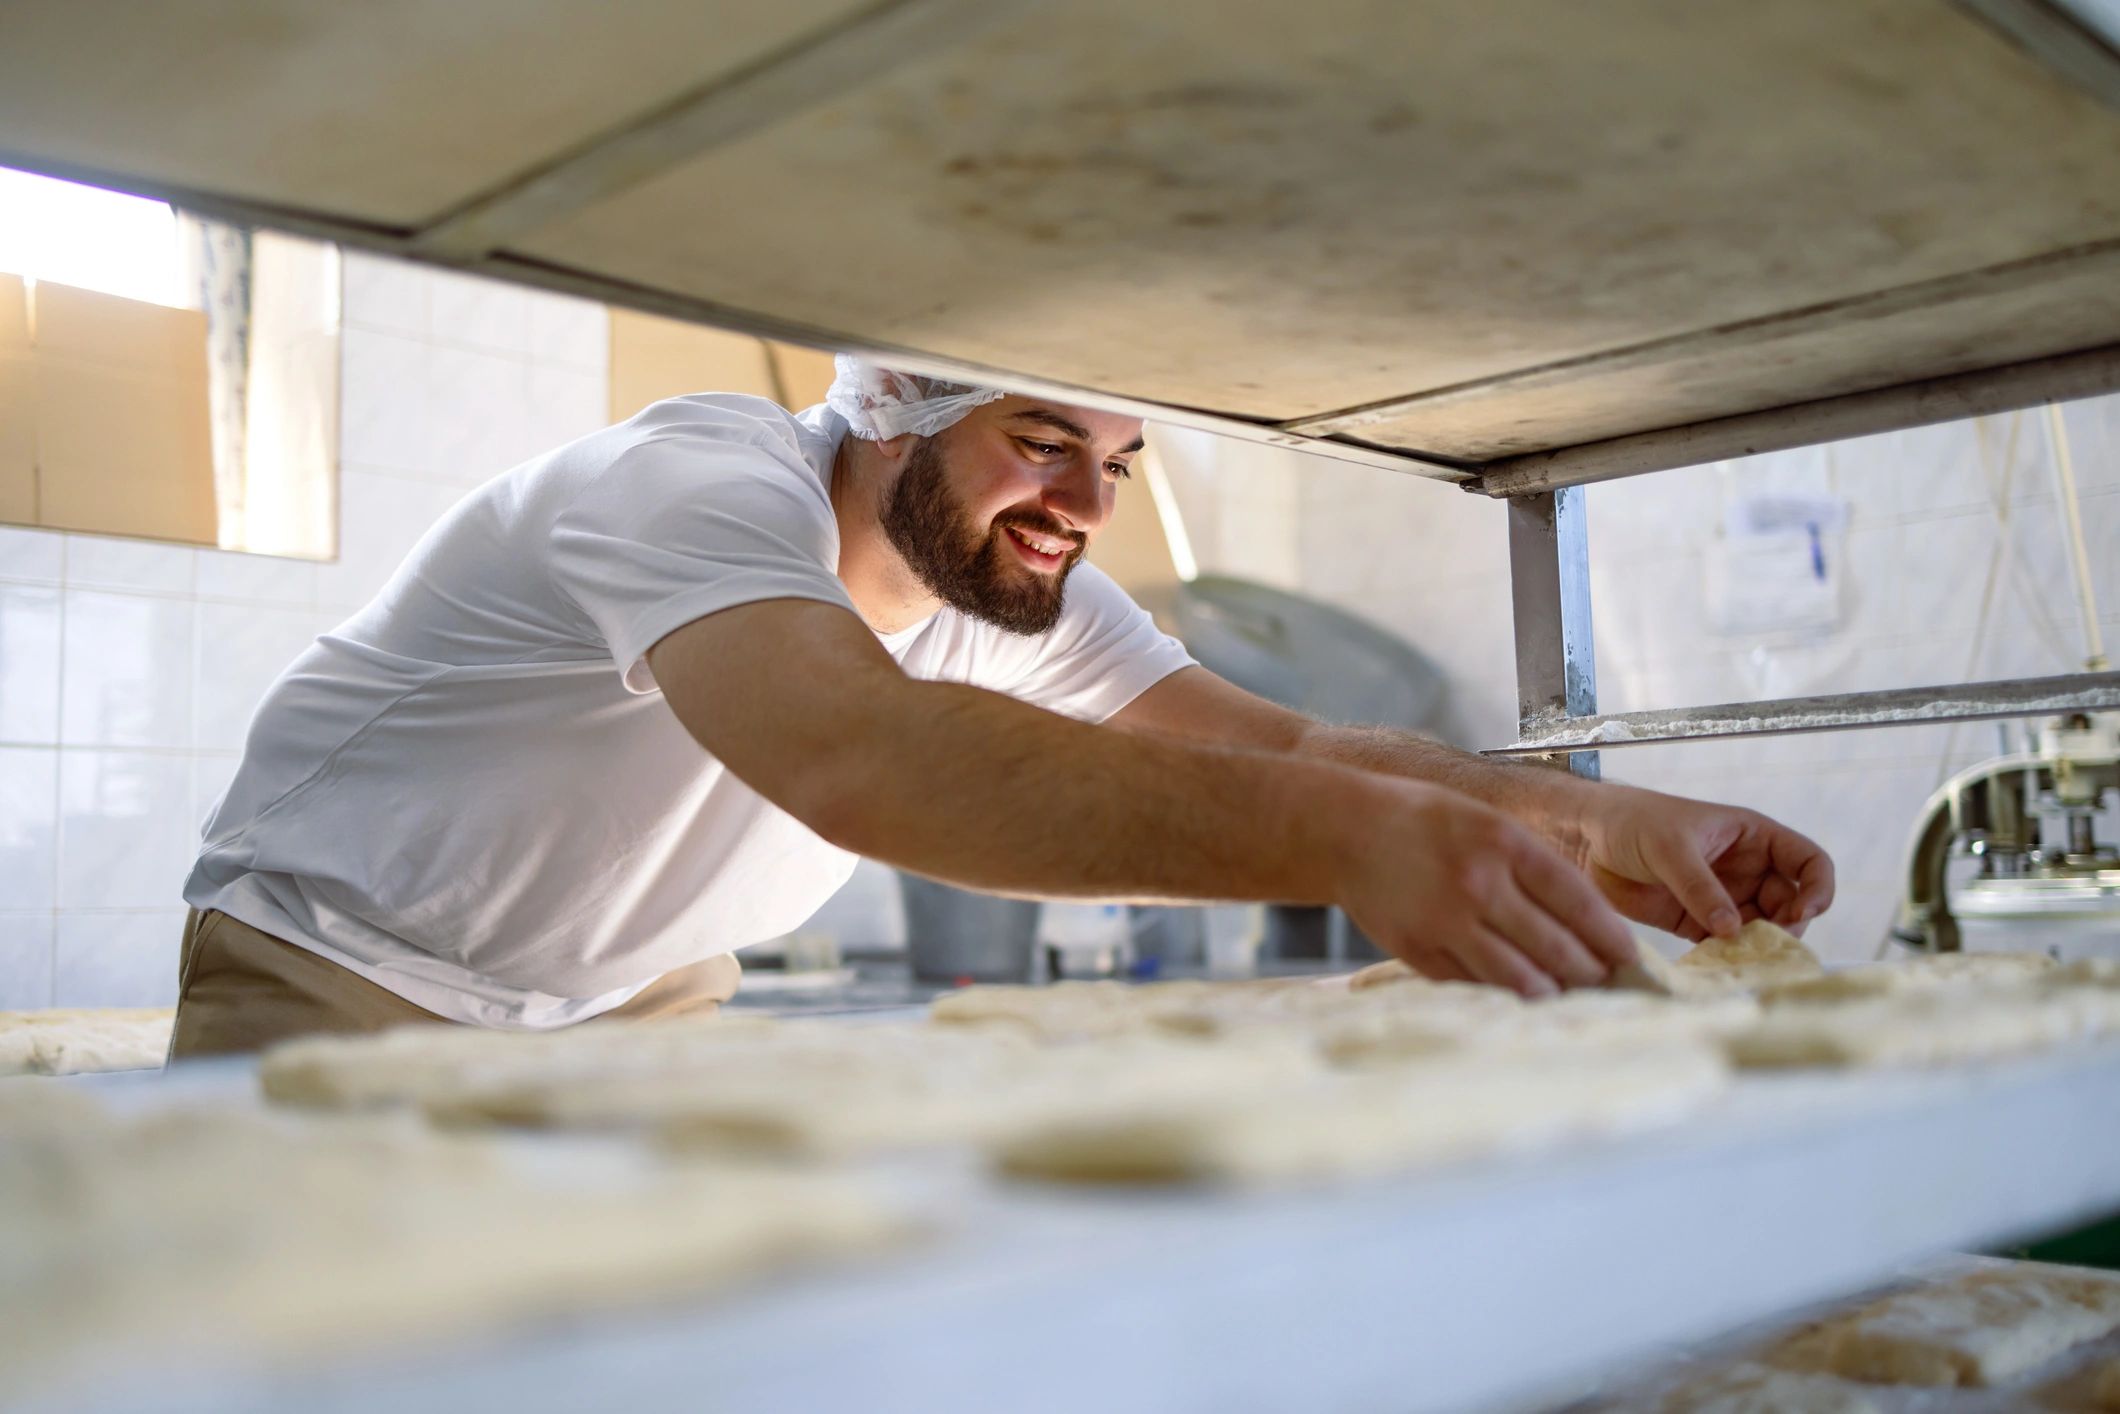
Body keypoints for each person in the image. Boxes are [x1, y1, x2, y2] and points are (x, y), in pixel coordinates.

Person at [172, 356, 1833, 1056]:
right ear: (898, 405)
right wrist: (1345, 845)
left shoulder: (1007, 589)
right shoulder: (694, 485)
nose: (1085, 505)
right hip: (348, 978)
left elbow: (1302, 744)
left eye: (1113, 463)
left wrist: (1593, 815)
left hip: (630, 1019)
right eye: (1044, 441)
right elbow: (858, 756)